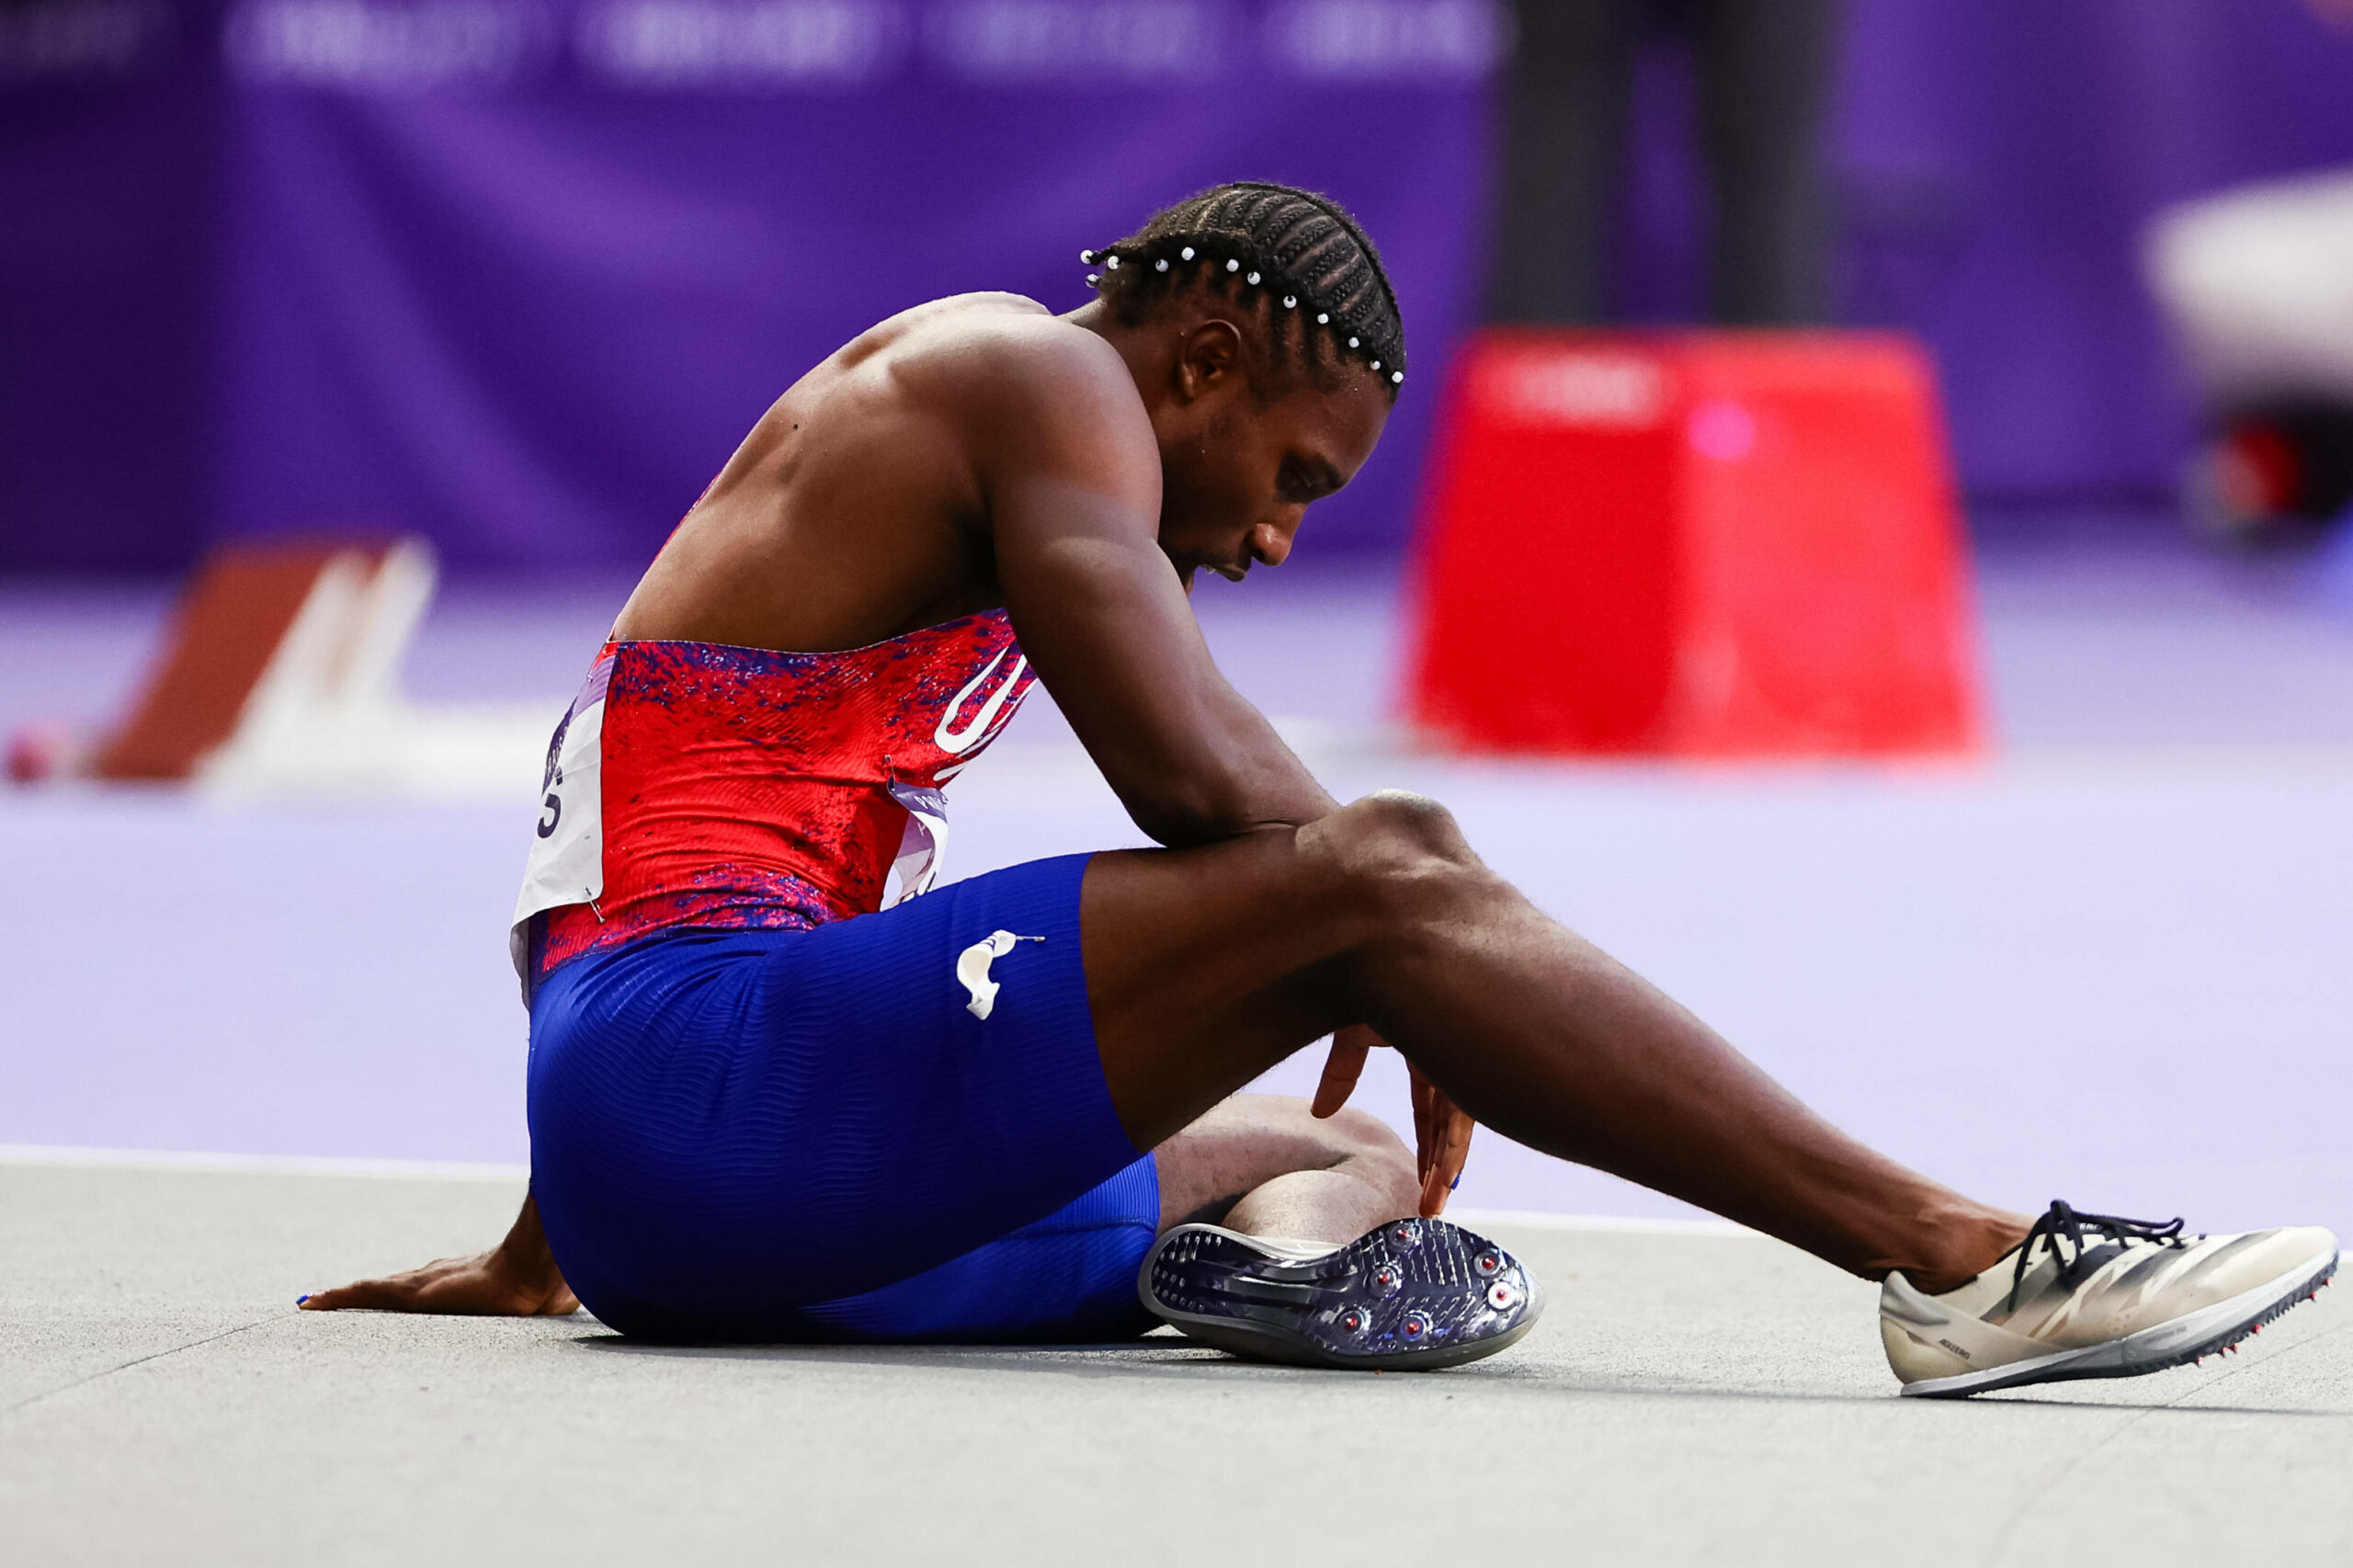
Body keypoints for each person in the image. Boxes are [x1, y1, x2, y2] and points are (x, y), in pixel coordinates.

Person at [302, 182, 2336, 1393]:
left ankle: (1295, 1226)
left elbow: (630, 852)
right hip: (693, 1108)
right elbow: (1191, 770)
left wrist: (551, 1224)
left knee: (1308, 1133)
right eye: (1290, 479)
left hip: (673, 1191)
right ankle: (1956, 1259)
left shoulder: (954, 434)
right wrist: (1405, 935)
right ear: (1194, 364)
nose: (1272, 545)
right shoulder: (1032, 378)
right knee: (1381, 859)